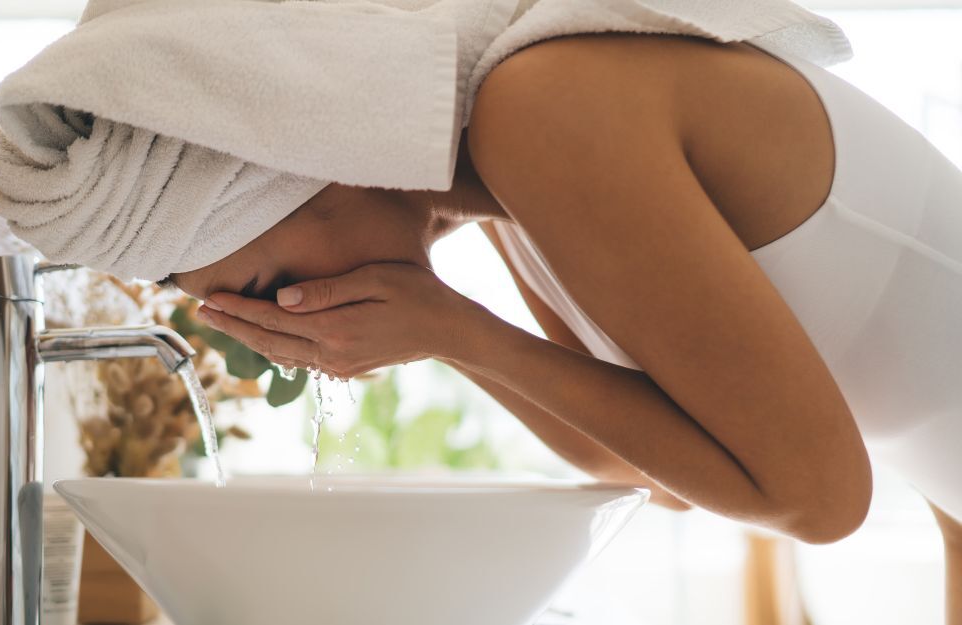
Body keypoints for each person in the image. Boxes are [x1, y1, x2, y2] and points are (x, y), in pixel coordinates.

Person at [163, 33, 962, 621]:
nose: (285, 334)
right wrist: (440, 328)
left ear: (293, 175)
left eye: (272, 289)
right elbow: (646, 471)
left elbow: (821, 502)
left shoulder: (535, 108)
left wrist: (462, 329)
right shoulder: (503, 185)